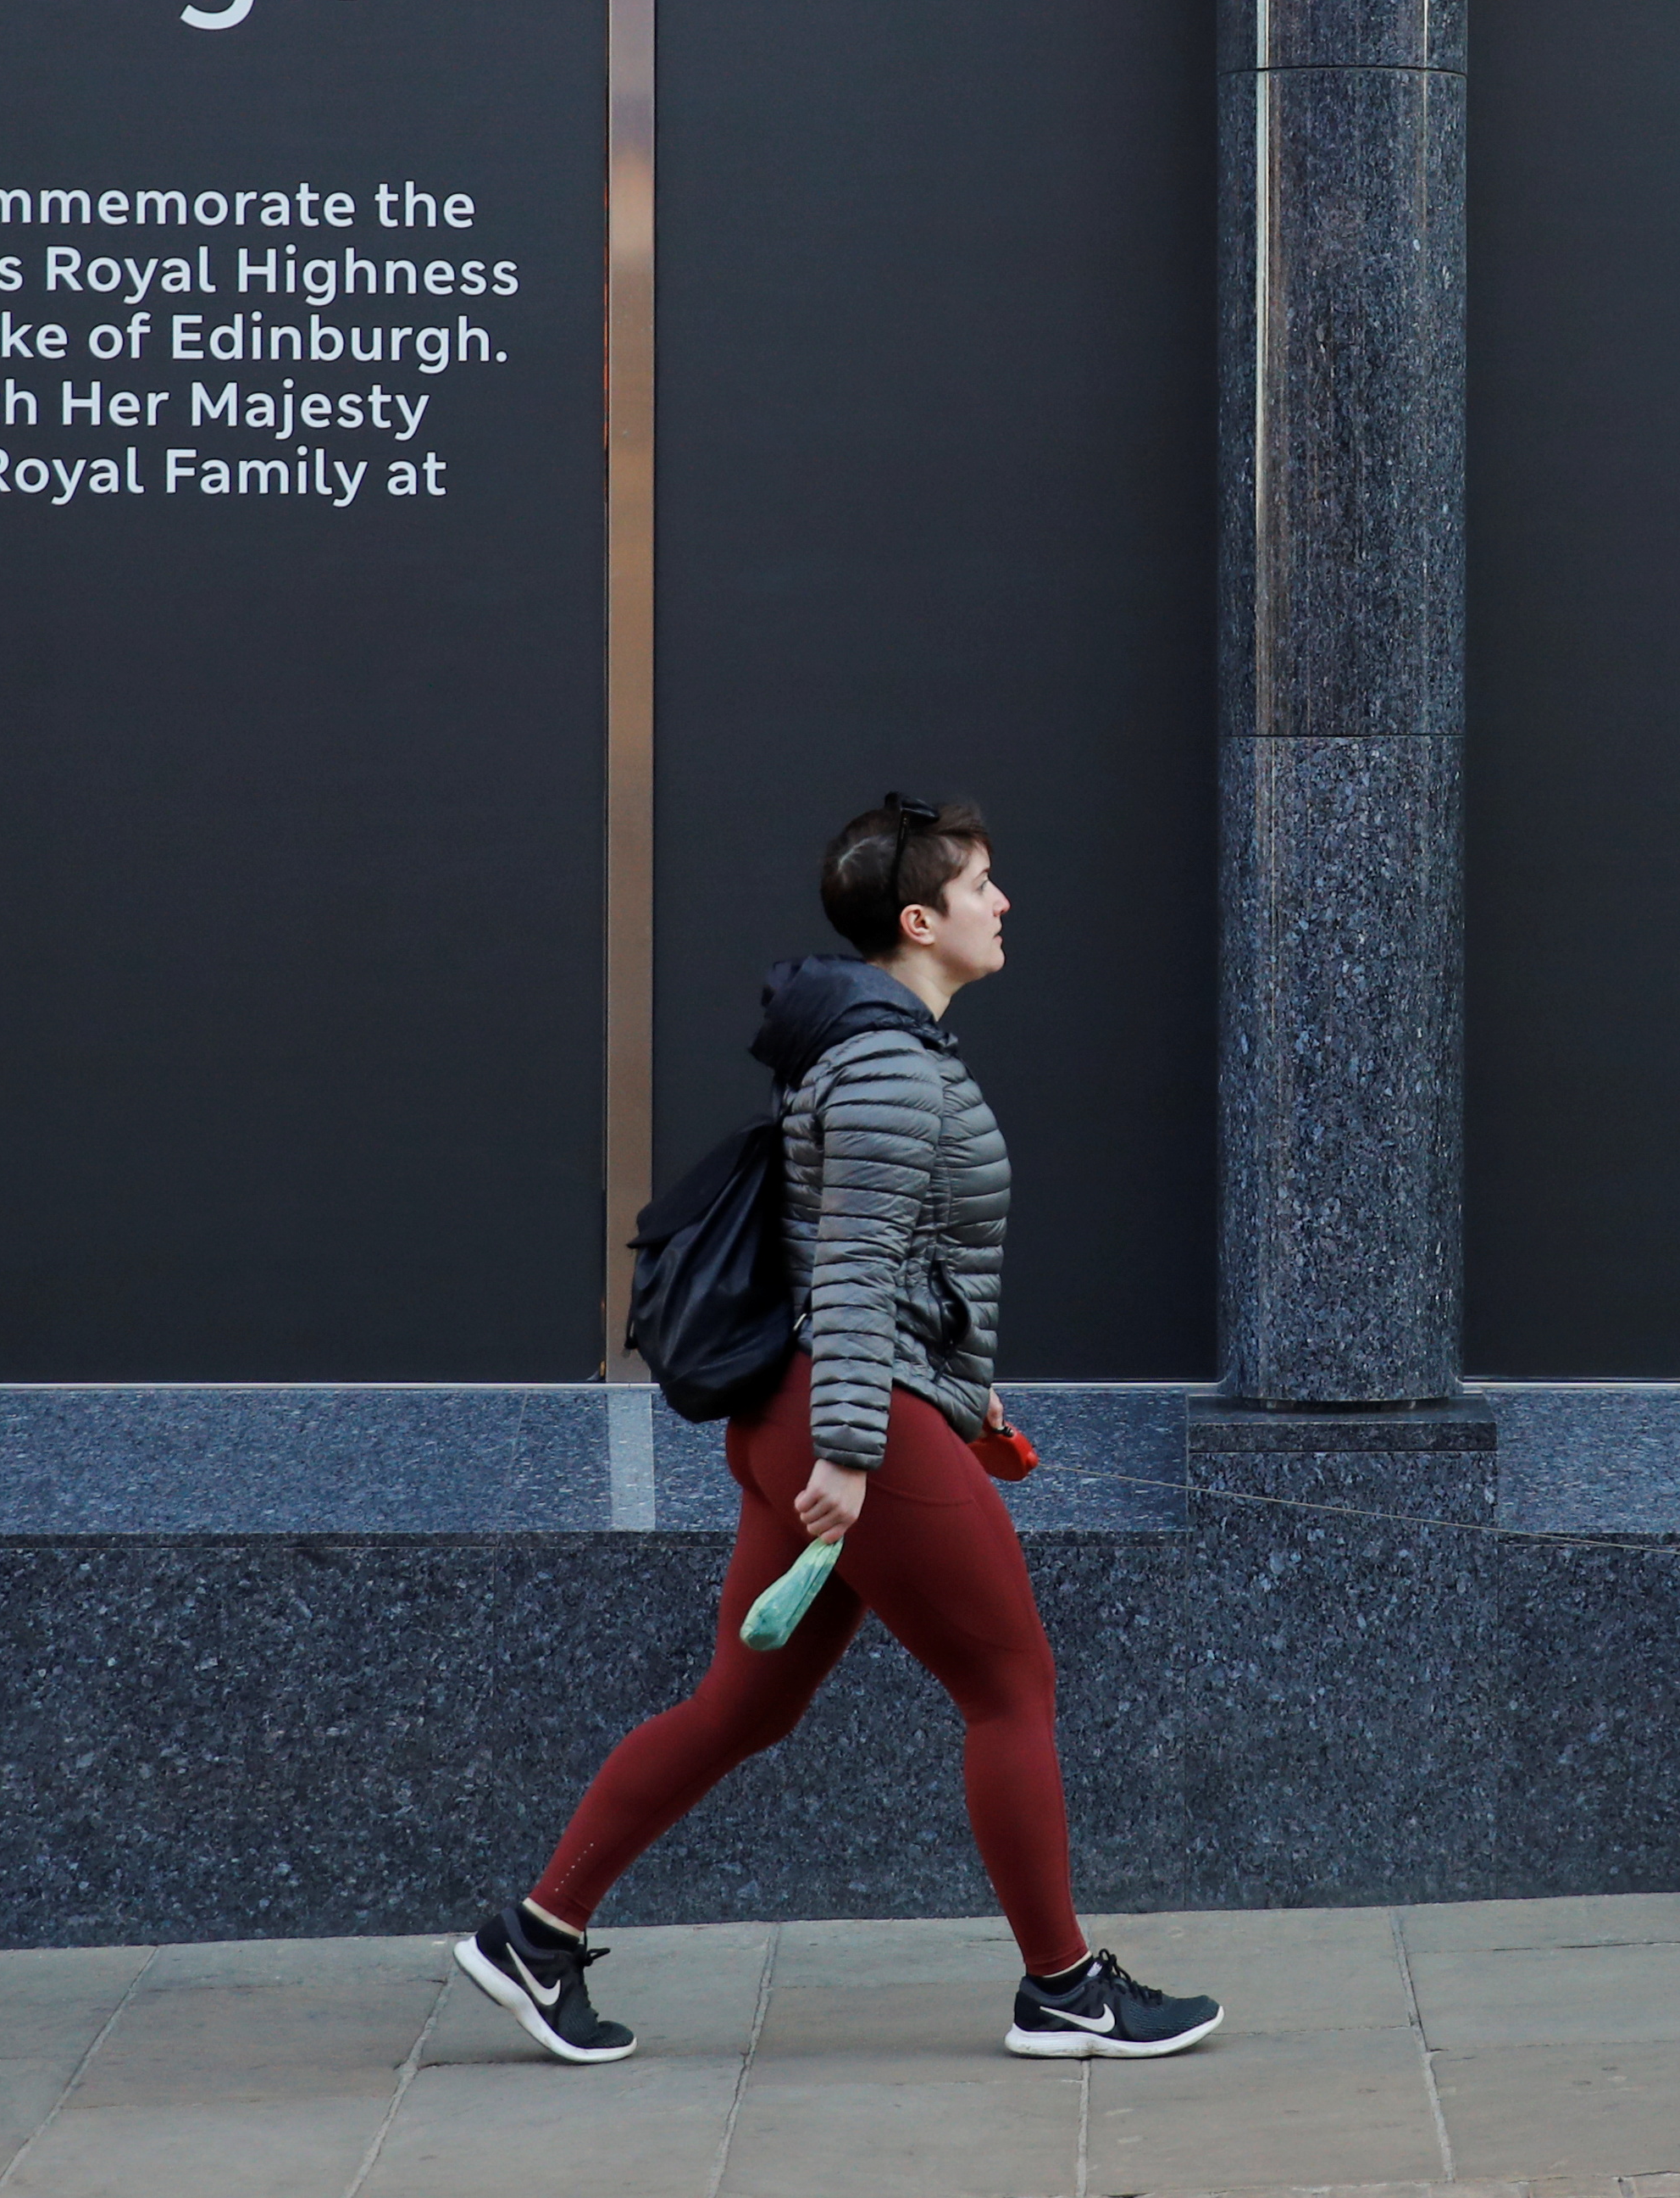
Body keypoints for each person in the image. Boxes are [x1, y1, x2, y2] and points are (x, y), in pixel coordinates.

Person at [458, 795, 1222, 2062]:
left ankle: (534, 1938)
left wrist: (958, 1391)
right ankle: (1063, 1989)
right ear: (919, 920)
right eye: (980, 884)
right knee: (1010, 1689)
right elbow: (856, 1269)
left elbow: (880, 1260)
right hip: (843, 1419)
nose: (1002, 902)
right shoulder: (885, 1066)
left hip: (820, 1407)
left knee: (741, 1707)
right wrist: (857, 1451)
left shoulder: (876, 1050)